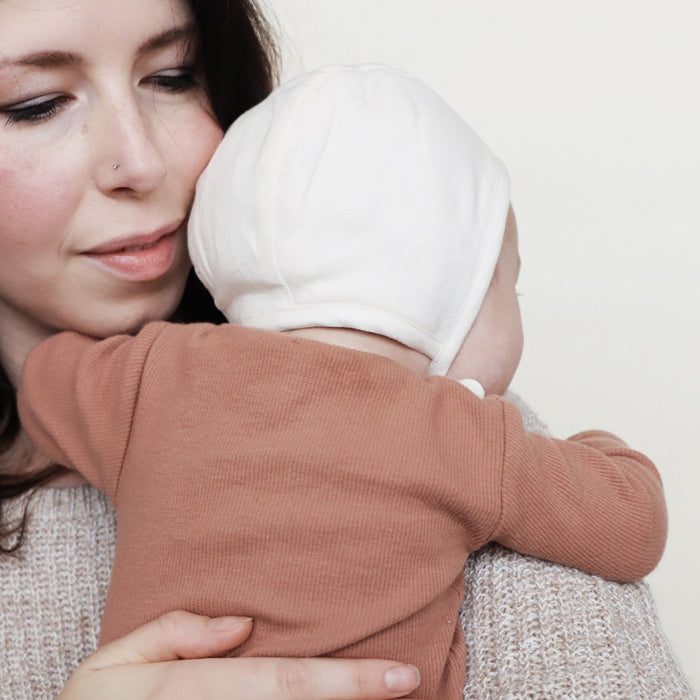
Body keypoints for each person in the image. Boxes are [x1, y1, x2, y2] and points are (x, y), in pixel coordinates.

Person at [0, 1, 694, 699]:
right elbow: (633, 518)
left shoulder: (151, 381)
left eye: (175, 76)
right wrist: (600, 448)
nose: (140, 163)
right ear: (452, 297)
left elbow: (47, 380)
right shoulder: (476, 445)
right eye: (34, 104)